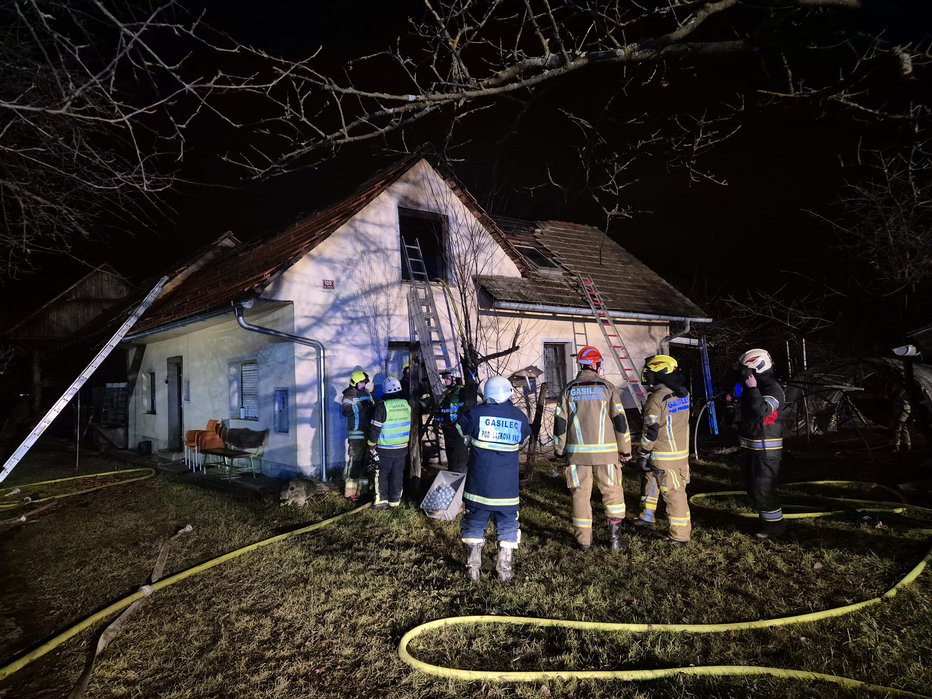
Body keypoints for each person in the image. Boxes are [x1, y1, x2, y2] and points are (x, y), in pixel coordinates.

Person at [553, 345, 632, 551]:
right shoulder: (607, 388)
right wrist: (625, 450)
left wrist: (559, 451)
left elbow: (560, 424)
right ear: (596, 364)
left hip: (578, 457)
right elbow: (620, 422)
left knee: (580, 495)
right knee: (613, 493)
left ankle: (583, 542)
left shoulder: (569, 389)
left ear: (581, 365)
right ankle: (615, 540)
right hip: (607, 455)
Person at [457, 375, 531, 582]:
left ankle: (473, 571)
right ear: (507, 393)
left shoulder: (475, 414)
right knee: (508, 525)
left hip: (478, 486)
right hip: (507, 490)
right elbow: (524, 438)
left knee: (474, 523)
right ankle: (504, 571)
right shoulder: (519, 417)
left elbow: (460, 429)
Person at [631, 355, 692, 545]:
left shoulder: (655, 399)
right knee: (651, 481)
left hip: (662, 455)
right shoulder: (682, 394)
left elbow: (651, 431)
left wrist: (642, 453)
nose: (646, 376)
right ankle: (647, 515)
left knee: (674, 495)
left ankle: (680, 536)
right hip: (680, 455)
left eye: (649, 373)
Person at [736, 348, 786, 539]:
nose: (744, 374)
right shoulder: (755, 387)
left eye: (747, 370)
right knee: (753, 488)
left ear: (757, 368)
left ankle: (775, 526)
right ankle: (765, 520)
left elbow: (761, 410)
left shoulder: (773, 389)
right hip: (752, 448)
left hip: (767, 450)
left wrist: (752, 389)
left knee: (763, 488)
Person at [367, 376, 412, 510]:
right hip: (402, 449)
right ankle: (395, 501)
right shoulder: (407, 404)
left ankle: (381, 502)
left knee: (381, 475)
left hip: (385, 449)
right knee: (397, 475)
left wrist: (371, 445)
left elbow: (375, 429)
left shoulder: (382, 407)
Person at [341, 370, 374, 500]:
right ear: (354, 382)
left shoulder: (366, 393)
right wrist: (361, 406)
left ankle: (363, 491)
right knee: (355, 462)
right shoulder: (348, 395)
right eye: (361, 382)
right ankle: (350, 493)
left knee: (366, 462)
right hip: (356, 434)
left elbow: (372, 407)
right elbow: (346, 411)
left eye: (365, 382)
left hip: (368, 432)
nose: (364, 385)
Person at [438, 369, 468, 473]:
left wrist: (459, 422)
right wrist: (437, 420)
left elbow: (465, 409)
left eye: (447, 378)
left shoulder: (461, 391)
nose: (445, 381)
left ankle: (459, 473)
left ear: (455, 379)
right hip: (447, 428)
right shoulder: (446, 393)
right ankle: (451, 471)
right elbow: (440, 409)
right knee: (449, 453)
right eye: (444, 379)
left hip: (457, 429)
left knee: (457, 453)